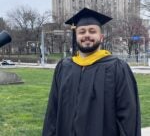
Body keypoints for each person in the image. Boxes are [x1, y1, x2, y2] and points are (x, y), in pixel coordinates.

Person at [42, 8, 141, 136]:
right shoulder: (64, 67)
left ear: (101, 37)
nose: (86, 35)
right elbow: (52, 111)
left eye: (92, 31)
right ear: (76, 36)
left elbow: (128, 116)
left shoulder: (117, 68)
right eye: (81, 31)